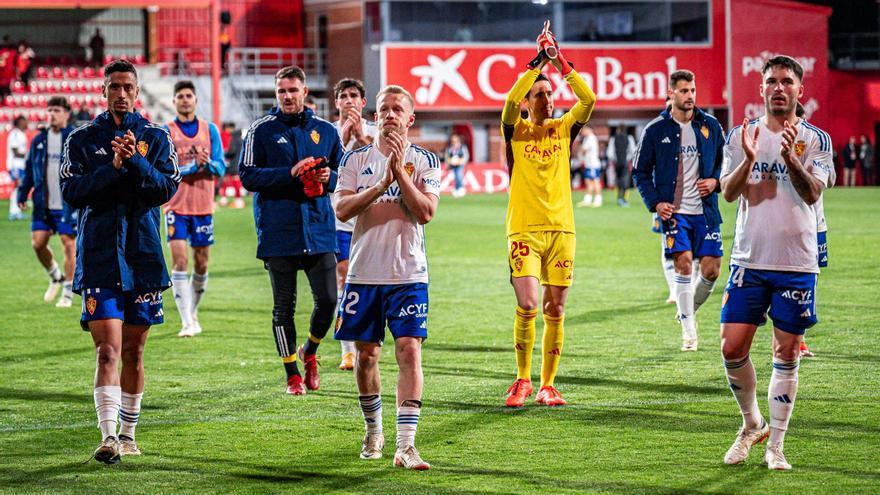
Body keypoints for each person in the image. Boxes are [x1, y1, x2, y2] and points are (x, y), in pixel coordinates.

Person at [60, 59, 180, 464]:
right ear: (103, 91)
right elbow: (73, 192)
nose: (121, 93)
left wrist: (136, 161)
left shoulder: (156, 137)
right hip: (99, 256)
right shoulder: (82, 139)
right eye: (114, 87)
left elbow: (164, 189)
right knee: (106, 351)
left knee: (135, 351)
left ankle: (129, 434)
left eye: (128, 86)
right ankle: (108, 436)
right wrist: (112, 167)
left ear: (137, 90)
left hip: (143, 255)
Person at [719, 55, 832, 471]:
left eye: (787, 81)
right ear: (761, 88)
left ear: (800, 91)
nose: (779, 88)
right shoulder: (740, 135)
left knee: (786, 352)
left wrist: (791, 159)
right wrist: (749, 159)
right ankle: (752, 424)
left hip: (796, 263)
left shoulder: (817, 139)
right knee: (731, 346)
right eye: (772, 81)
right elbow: (729, 193)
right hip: (749, 259)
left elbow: (813, 193)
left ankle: (776, 446)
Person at [334, 84, 440, 470]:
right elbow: (341, 209)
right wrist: (381, 183)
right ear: (375, 116)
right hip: (364, 274)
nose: (390, 115)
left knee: (410, 349)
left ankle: (406, 445)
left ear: (410, 118)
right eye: (384, 109)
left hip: (409, 273)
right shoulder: (355, 159)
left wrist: (400, 174)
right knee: (366, 356)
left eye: (398, 109)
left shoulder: (425, 160)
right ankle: (373, 429)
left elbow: (426, 212)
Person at [501, 25, 596, 408]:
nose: (549, 99)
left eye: (551, 93)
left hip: (562, 230)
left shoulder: (563, 130)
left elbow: (587, 99)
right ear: (529, 99)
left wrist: (559, 63)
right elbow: (509, 101)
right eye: (541, 93)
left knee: (555, 308)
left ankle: (547, 385)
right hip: (524, 229)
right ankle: (522, 379)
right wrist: (538, 62)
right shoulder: (515, 130)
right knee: (527, 304)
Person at [239, 65, 343, 395]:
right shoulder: (261, 131)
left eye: (292, 90)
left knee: (328, 301)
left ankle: (309, 351)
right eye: (281, 91)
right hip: (278, 231)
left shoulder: (326, 131)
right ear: (276, 94)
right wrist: (290, 173)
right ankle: (291, 374)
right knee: (284, 306)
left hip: (319, 230)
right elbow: (247, 176)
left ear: (304, 92)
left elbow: (344, 175)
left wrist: (331, 180)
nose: (287, 96)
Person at [633, 70, 725, 352]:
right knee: (684, 265)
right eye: (684, 91)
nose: (690, 96)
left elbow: (727, 161)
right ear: (671, 94)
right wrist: (655, 203)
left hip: (706, 212)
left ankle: (687, 312)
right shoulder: (655, 130)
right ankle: (689, 334)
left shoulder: (710, 125)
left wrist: (716, 181)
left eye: (693, 90)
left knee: (711, 271)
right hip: (676, 214)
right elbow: (640, 171)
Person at [164, 80, 226, 337]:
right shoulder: (166, 131)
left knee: (201, 264)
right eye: (180, 96)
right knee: (180, 261)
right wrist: (191, 168)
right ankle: (186, 321)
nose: (185, 100)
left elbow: (222, 167)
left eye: (189, 95)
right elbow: (165, 169)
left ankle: (192, 311)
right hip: (175, 206)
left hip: (202, 206)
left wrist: (208, 163)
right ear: (174, 101)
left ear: (196, 100)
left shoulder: (209, 130)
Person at [331, 77, 378, 370]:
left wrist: (360, 139)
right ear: (336, 103)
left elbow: (382, 169)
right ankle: (347, 349)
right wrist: (343, 140)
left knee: (370, 281)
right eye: (343, 96)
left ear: (362, 102)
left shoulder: (374, 132)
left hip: (371, 220)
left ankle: (369, 341)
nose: (348, 101)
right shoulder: (327, 133)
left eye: (353, 96)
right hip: (339, 219)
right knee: (343, 276)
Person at [16, 97, 77, 307]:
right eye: (49, 110)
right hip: (43, 203)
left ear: (66, 114)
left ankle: (67, 292)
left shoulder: (74, 138)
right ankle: (55, 275)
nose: (52, 114)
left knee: (69, 245)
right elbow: (30, 169)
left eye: (57, 110)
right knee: (38, 243)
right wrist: (22, 194)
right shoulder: (39, 140)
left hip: (67, 204)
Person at [608, 124, 636, 206]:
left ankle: (619, 198)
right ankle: (623, 199)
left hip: (617, 163)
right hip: (625, 162)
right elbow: (633, 151)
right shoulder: (629, 138)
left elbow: (610, 153)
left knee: (619, 180)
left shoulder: (613, 139)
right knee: (625, 181)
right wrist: (629, 159)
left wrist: (615, 159)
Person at [7, 116, 28, 220]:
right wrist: (28, 155)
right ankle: (14, 211)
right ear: (20, 122)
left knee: (19, 187)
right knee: (18, 186)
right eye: (25, 121)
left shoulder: (21, 134)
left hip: (20, 165)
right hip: (15, 164)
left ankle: (16, 210)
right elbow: (15, 152)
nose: (26, 123)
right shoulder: (15, 134)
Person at [219, 122, 245, 208]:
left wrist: (225, 155)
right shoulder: (241, 139)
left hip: (232, 163)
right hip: (240, 163)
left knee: (229, 179)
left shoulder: (233, 138)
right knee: (233, 180)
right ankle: (236, 200)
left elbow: (231, 151)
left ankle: (235, 200)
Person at [575, 126, 602, 207]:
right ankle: (588, 199)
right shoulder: (587, 138)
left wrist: (579, 154)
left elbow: (583, 150)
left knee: (595, 181)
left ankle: (598, 200)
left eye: (582, 131)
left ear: (587, 130)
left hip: (593, 164)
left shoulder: (591, 138)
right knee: (588, 182)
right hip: (588, 164)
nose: (582, 133)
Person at [445, 133, 469, 198]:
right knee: (455, 176)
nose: (453, 139)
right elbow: (447, 156)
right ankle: (457, 189)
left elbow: (466, 155)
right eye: (452, 138)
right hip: (453, 165)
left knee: (459, 175)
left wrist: (461, 162)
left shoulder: (462, 146)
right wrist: (448, 164)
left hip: (460, 164)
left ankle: (460, 189)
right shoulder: (450, 147)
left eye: (455, 138)